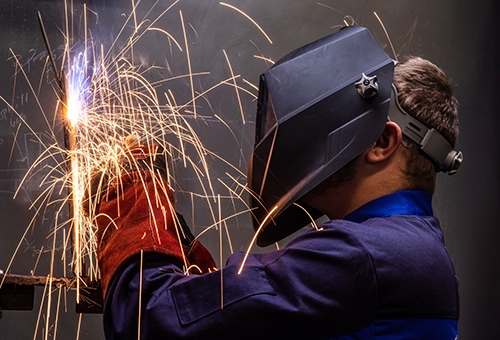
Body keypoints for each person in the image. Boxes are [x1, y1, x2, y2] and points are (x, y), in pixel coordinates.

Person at [92, 26, 461, 339]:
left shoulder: (363, 257)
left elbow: (150, 322)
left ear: (381, 142)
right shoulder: (408, 250)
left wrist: (132, 205)